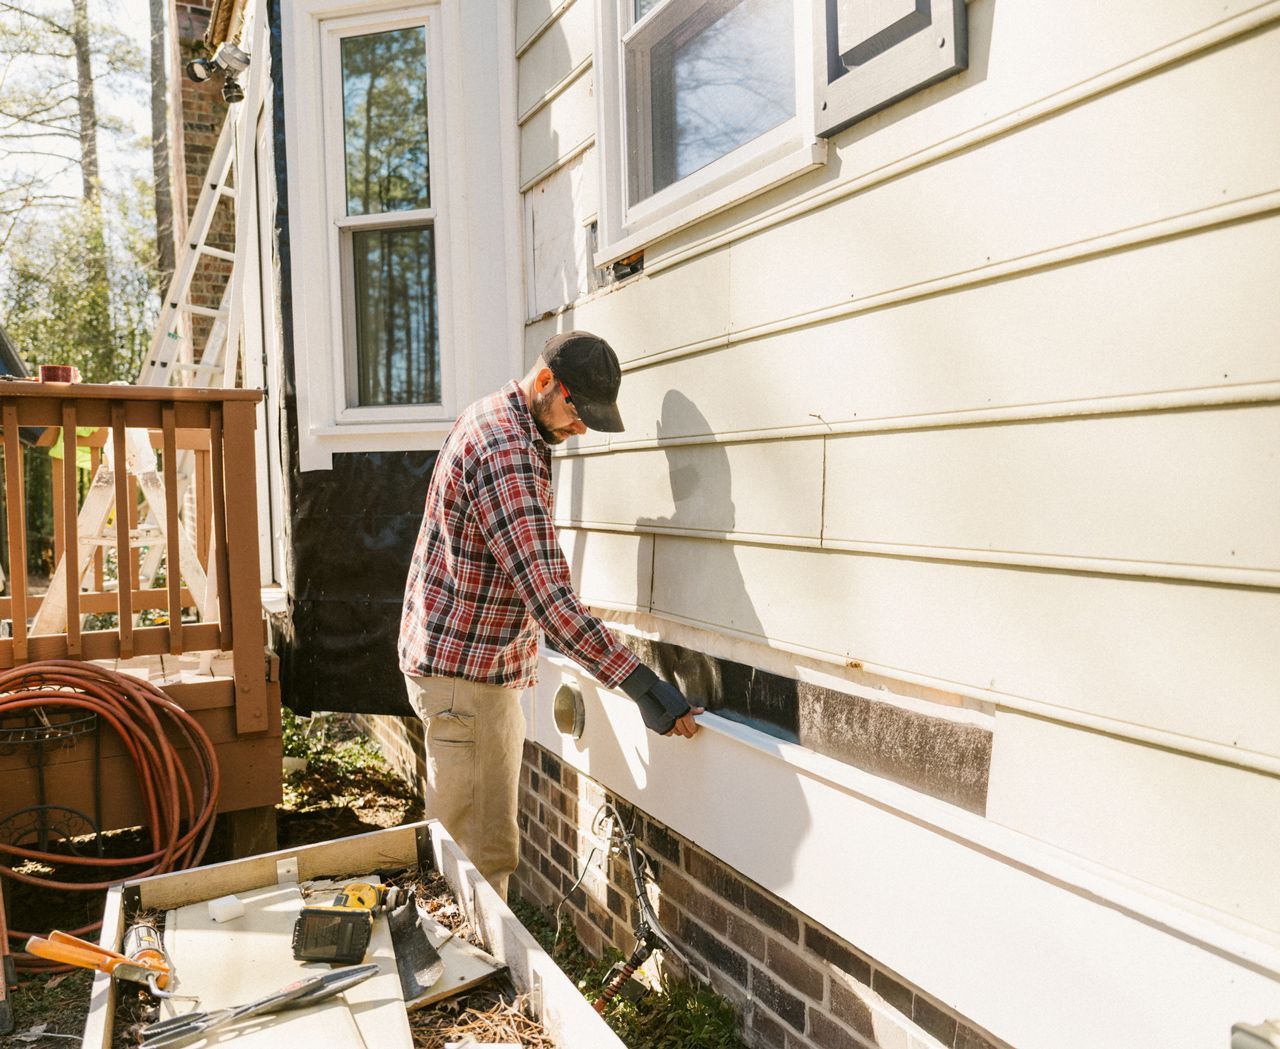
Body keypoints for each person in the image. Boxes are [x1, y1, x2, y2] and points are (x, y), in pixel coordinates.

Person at [399, 330, 702, 899]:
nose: (580, 427)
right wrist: (641, 685)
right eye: (575, 410)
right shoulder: (506, 453)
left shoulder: (494, 418)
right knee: (475, 863)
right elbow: (549, 596)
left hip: (457, 667)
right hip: (466, 684)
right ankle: (461, 977)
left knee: (470, 854)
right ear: (543, 383)